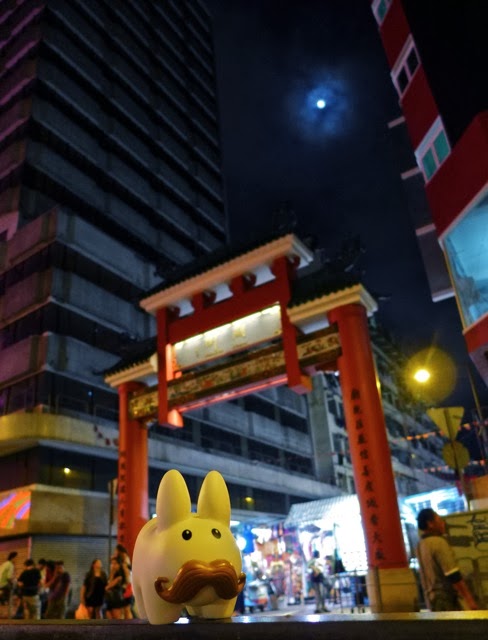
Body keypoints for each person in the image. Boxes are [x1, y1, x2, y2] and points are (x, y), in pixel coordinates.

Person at [416, 508, 478, 611]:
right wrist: (469, 599)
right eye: (439, 520)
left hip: (431, 600)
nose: (443, 523)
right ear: (430, 524)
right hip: (445, 600)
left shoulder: (420, 545)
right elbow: (453, 574)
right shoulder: (439, 542)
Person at [115, 544, 133, 619]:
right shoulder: (124, 559)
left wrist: (128, 584)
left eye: (116, 551)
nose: (115, 552)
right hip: (127, 585)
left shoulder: (125, 559)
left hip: (127, 586)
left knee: (126, 608)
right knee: (125, 608)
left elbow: (127, 573)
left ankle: (129, 623)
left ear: (119, 551)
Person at [0, 551, 18, 616]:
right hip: (3, 584)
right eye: (16, 558)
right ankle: (10, 612)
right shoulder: (10, 565)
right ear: (13, 558)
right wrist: (14, 582)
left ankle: (3, 598)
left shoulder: (4, 563)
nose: (17, 560)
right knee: (15, 586)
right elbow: (9, 577)